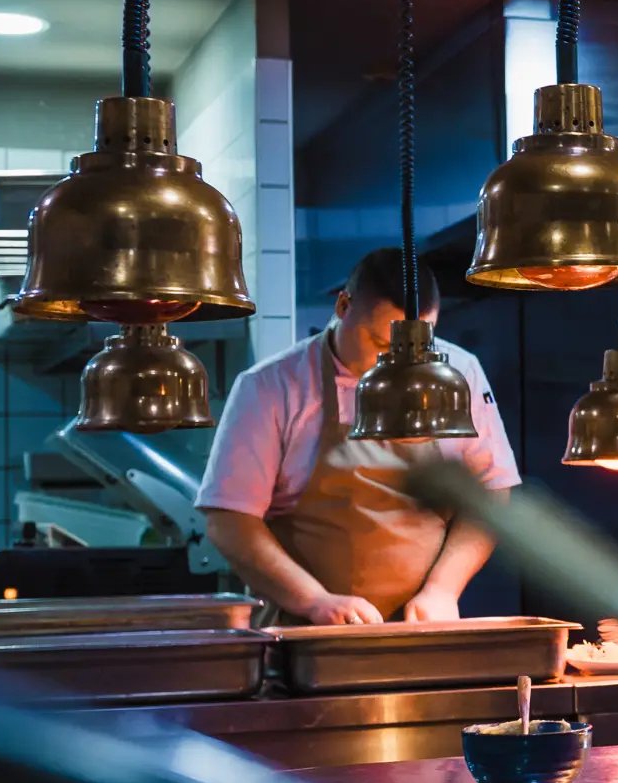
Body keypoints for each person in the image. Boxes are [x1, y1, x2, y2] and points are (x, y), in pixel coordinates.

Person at [197, 248, 519, 624]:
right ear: (343, 306)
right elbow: (230, 520)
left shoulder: (459, 373)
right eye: (383, 343)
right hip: (305, 632)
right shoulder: (270, 386)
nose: (396, 363)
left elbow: (491, 492)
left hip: (423, 627)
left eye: (418, 347)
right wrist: (314, 601)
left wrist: (443, 589)